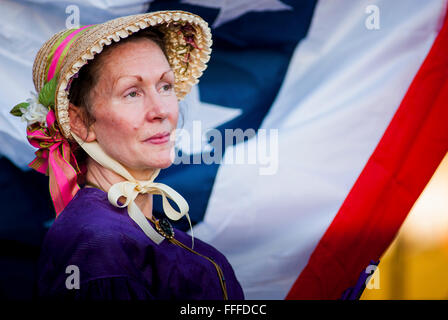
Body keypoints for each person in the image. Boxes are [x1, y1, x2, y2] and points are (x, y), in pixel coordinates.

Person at [10, 10, 244, 300]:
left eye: (165, 86)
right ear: (80, 122)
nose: (161, 111)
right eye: (132, 92)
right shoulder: (96, 244)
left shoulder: (127, 231)